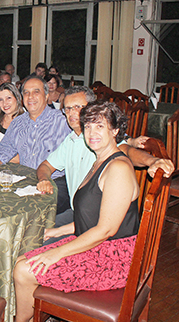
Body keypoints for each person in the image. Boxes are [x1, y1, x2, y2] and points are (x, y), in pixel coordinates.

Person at [13, 100, 140, 322]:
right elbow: (95, 215)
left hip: (112, 258)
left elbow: (105, 230)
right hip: (98, 244)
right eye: (88, 126)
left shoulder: (118, 168)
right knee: (22, 260)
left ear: (115, 130)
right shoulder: (99, 161)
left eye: (100, 126)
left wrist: (57, 252)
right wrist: (60, 230)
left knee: (24, 271)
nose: (92, 132)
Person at [36, 86, 174, 244]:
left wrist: (152, 161)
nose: (72, 113)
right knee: (33, 232)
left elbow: (127, 152)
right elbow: (45, 165)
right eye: (67, 108)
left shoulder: (101, 141)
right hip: (79, 214)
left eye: (78, 107)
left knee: (35, 244)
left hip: (100, 228)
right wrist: (43, 179)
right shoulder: (73, 139)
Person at [0, 76, 72, 207]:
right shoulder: (18, 123)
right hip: (24, 180)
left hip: (54, 181)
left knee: (29, 206)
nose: (30, 97)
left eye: (36, 92)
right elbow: (5, 148)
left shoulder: (62, 121)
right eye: (26, 93)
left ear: (46, 96)